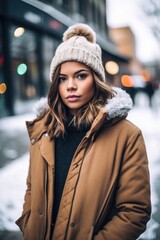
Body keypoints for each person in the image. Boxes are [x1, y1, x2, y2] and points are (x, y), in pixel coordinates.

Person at [16, 23, 151, 240]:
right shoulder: (43, 130)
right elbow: (32, 189)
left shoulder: (126, 136)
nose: (70, 85)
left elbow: (134, 211)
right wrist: (29, 224)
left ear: (96, 80)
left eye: (80, 76)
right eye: (62, 78)